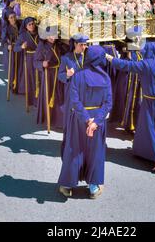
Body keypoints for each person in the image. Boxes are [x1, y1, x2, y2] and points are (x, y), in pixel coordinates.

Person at [107, 41, 155, 171]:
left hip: (153, 101)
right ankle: (149, 151)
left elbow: (126, 65)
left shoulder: (146, 64)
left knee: (151, 129)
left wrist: (109, 58)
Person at [58, 45, 112, 199]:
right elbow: (108, 104)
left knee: (74, 150)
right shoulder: (106, 78)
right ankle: (94, 186)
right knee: (96, 152)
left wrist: (87, 119)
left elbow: (74, 101)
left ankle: (67, 184)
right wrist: (95, 122)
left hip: (80, 119)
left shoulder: (78, 76)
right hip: (98, 121)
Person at [34, 27, 68, 130]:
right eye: (50, 35)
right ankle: (50, 119)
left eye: (54, 35)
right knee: (49, 96)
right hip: (49, 74)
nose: (53, 37)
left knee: (61, 96)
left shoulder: (60, 45)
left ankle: (60, 120)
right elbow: (35, 62)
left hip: (60, 73)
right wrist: (42, 64)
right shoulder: (42, 46)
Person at [14, 17, 39, 109]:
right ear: (26, 26)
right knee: (31, 79)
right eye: (29, 25)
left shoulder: (39, 33)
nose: (32, 26)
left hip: (39, 58)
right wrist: (22, 46)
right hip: (30, 58)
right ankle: (32, 100)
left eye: (33, 24)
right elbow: (15, 48)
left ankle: (39, 101)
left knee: (40, 79)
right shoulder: (23, 36)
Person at [1, 11, 21, 94]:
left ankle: (19, 85)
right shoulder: (6, 27)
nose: (13, 19)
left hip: (19, 49)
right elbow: (4, 39)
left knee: (20, 67)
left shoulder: (20, 25)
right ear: (8, 19)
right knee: (12, 67)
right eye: (11, 17)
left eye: (14, 17)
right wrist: (8, 44)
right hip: (11, 49)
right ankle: (13, 85)